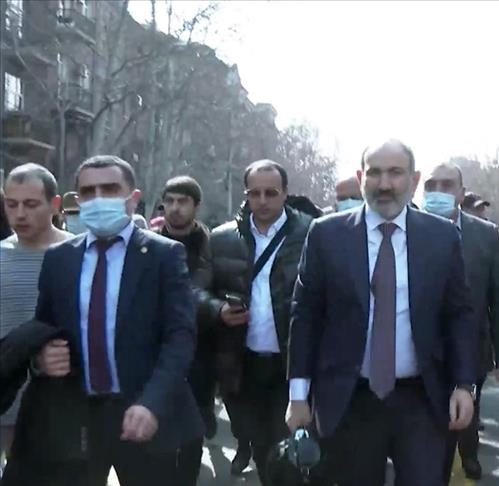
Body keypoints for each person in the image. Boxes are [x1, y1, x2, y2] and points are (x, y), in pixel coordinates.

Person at [286, 140, 477, 486]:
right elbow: (305, 315)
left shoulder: (441, 237)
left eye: (395, 173)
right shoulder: (327, 235)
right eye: (374, 173)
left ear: (414, 180)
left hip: (422, 396)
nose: (384, 184)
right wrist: (298, 396)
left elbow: (459, 315)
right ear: (361, 178)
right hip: (351, 398)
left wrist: (464, 385)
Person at [9, 155, 202, 485]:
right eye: (88, 192)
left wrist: (152, 403)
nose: (98, 199)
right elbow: (43, 332)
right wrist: (41, 360)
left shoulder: (163, 255)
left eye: (110, 189)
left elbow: (180, 336)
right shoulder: (60, 258)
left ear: (133, 198)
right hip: (78, 422)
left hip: (148, 416)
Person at [203, 160, 313, 484]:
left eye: (271, 193)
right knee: (260, 444)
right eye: (255, 193)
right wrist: (218, 309)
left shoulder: (312, 233)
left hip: (290, 364)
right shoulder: (222, 238)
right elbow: (196, 290)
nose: (262, 201)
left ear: (285, 193)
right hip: (242, 363)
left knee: (288, 447)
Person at [422, 162, 499, 481]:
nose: (438, 192)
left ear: (462, 193)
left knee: (464, 417)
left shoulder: (485, 235)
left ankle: (469, 454)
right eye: (431, 185)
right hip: (417, 355)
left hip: (469, 351)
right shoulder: (405, 229)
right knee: (427, 438)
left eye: (447, 185)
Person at [1, 165, 72, 459]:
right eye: (11, 204)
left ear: (54, 204)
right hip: (6, 399)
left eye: (30, 204)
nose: (19, 214)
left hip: (63, 401)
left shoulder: (79, 254)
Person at [154, 176, 218, 486]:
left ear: (196, 206)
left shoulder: (214, 246)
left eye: (183, 202)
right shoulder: (147, 244)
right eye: (170, 201)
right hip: (157, 350)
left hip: (201, 352)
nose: (175, 208)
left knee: (194, 432)